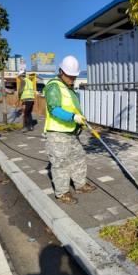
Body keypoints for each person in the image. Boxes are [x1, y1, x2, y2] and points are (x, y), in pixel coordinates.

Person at [43, 55, 96, 204]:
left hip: (71, 133)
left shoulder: (69, 88)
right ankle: (62, 193)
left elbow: (73, 108)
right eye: (69, 75)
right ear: (61, 71)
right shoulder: (54, 86)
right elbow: (54, 109)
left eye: (74, 76)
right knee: (60, 163)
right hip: (57, 134)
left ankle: (80, 184)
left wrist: (81, 121)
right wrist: (73, 117)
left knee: (78, 156)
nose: (72, 78)